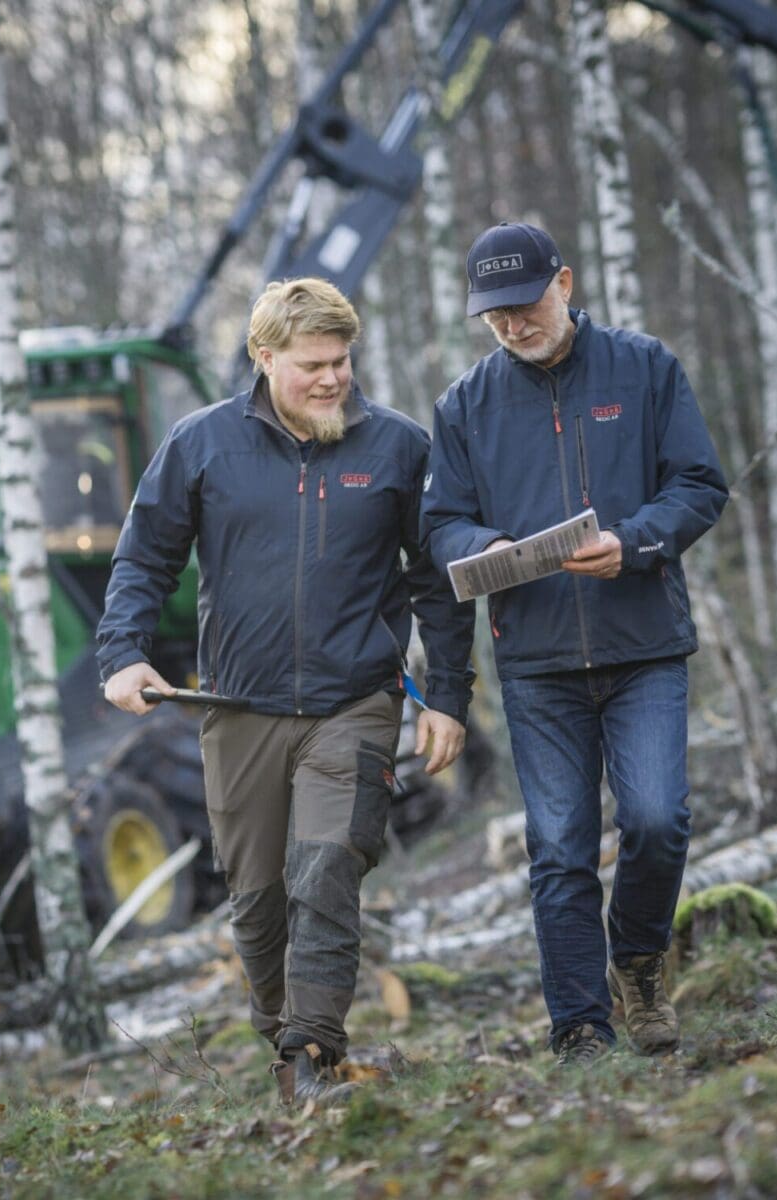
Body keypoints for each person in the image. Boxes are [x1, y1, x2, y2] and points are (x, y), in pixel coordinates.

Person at [97, 278, 474, 1107]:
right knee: (258, 902)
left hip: (355, 703)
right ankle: (286, 1044)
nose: (332, 378)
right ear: (264, 358)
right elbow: (144, 557)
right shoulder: (202, 445)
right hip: (238, 710)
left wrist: (446, 695)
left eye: (341, 360)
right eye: (312, 365)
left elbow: (437, 580)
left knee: (327, 866)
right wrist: (122, 653)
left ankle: (310, 1052)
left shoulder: (397, 448)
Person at [421, 223, 728, 1067]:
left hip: (643, 643)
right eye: (493, 315)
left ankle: (639, 964)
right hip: (536, 660)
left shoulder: (644, 368)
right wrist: (479, 544)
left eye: (523, 306)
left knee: (656, 820)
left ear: (563, 283)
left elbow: (699, 483)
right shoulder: (464, 405)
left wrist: (635, 541)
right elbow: (440, 521)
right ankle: (580, 1028)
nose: (511, 325)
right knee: (558, 847)